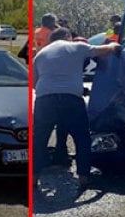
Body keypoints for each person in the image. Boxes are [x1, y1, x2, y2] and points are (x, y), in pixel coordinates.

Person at [32, 27, 119, 188]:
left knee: (39, 140)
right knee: (82, 138)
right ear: (67, 37)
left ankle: (33, 178)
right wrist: (114, 46)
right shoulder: (76, 47)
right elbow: (103, 51)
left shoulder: (40, 55)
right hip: (71, 99)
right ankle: (84, 177)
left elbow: (34, 83)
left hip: (45, 100)